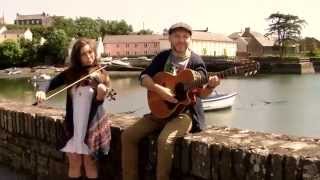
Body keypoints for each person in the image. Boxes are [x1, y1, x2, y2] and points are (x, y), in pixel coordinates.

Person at [121, 22, 220, 180]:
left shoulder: (196, 62)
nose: (181, 40)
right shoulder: (163, 57)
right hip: (160, 110)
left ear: (190, 39)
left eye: (185, 37)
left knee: (164, 141)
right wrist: (159, 89)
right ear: (170, 38)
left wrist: (211, 87)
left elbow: (202, 94)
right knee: (128, 135)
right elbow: (143, 77)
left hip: (184, 114)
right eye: (177, 36)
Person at [35, 38, 111, 180]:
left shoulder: (102, 74)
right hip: (74, 125)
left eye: (90, 52)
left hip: (91, 126)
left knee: (89, 164)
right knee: (74, 163)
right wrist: (42, 90)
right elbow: (50, 82)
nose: (89, 57)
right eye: (84, 54)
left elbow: (100, 103)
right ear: (77, 57)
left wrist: (101, 92)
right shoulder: (71, 74)